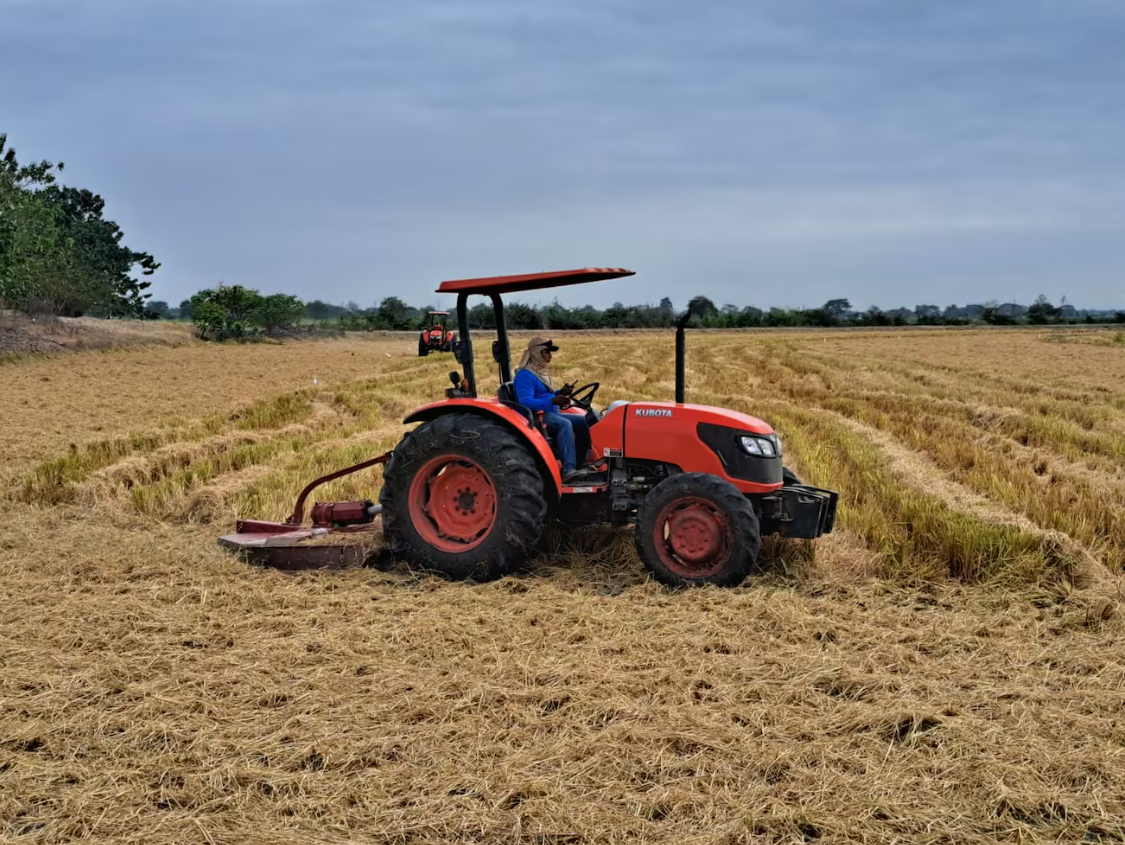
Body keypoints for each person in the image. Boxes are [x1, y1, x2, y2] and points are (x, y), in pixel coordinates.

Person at [513, 336, 593, 482]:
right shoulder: (525, 375)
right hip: (536, 417)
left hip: (549, 413)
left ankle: (582, 462)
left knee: (582, 421)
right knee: (565, 424)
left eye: (550, 353)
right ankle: (568, 470)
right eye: (547, 352)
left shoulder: (539, 372)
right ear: (537, 353)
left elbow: (542, 394)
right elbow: (525, 401)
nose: (550, 356)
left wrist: (560, 393)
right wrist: (552, 400)